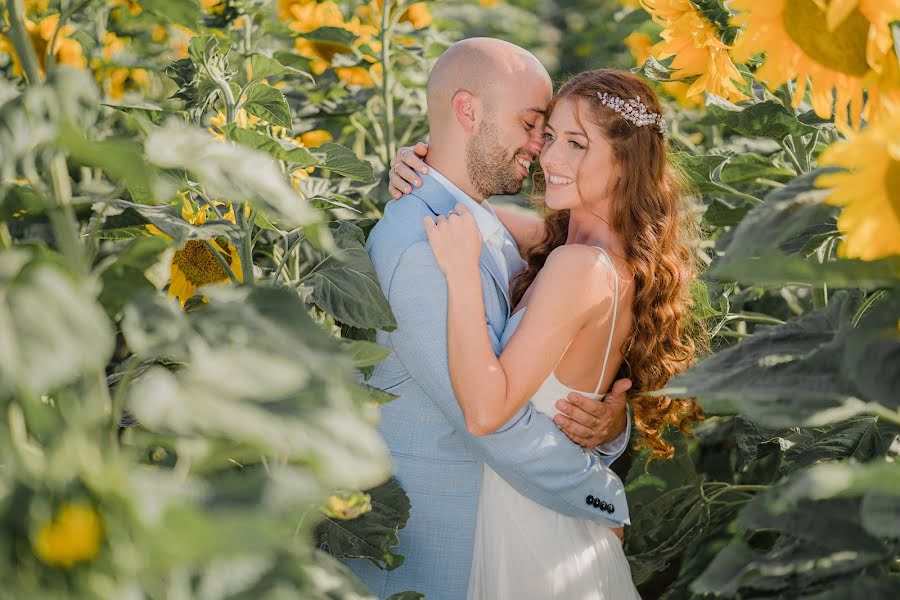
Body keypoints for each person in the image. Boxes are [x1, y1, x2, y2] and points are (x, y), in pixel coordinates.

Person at [393, 68, 704, 598]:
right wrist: (416, 172)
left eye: (577, 144)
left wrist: (464, 274)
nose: (550, 157)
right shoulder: (593, 252)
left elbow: (487, 412)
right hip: (545, 517)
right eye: (551, 135)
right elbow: (481, 212)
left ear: (626, 162)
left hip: (531, 528)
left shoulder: (578, 267)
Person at [346, 39, 635, 600]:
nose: (541, 150)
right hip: (443, 550)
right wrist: (603, 496)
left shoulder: (480, 224)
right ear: (468, 111)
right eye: (535, 127)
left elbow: (547, 374)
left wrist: (606, 424)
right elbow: (492, 422)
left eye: (556, 136)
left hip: (505, 535)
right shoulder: (425, 244)